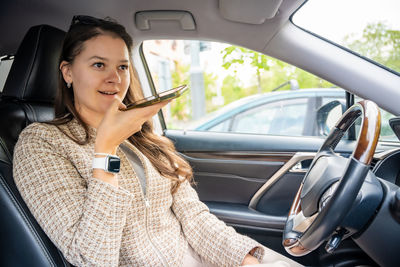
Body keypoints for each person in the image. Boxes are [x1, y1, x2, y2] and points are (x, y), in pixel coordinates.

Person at [13, 15, 302, 267]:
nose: (115, 78)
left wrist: (244, 259)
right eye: (99, 65)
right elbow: (92, 257)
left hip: (198, 258)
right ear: (68, 72)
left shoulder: (139, 134)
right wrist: (106, 150)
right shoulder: (42, 143)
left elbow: (193, 217)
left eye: (123, 67)